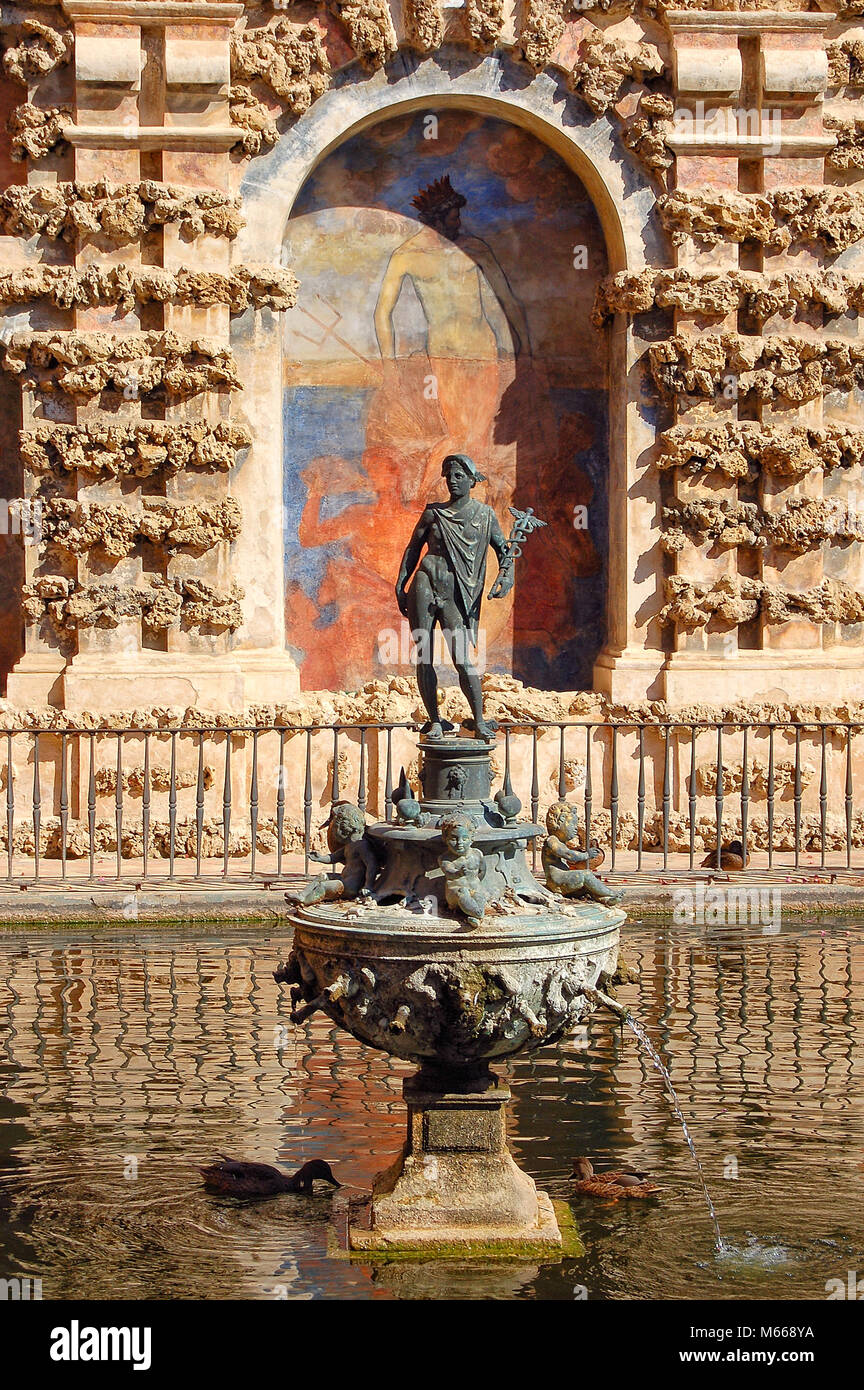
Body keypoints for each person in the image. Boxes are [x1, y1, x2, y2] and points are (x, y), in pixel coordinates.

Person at [395, 453, 511, 740]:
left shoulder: (485, 515)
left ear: (472, 480)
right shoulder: (433, 512)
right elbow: (413, 549)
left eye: (459, 475)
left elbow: (504, 551)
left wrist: (505, 576)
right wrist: (401, 584)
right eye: (448, 475)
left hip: (455, 592)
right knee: (424, 655)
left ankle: (479, 719)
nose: (452, 481)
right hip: (424, 582)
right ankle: (435, 720)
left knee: (462, 659)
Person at [542, 801, 622, 905]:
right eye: (573, 824)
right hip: (557, 881)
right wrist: (586, 855)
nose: (576, 828)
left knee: (587, 888)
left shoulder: (560, 842)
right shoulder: (552, 841)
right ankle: (611, 893)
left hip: (563, 879)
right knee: (586, 874)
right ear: (560, 821)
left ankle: (605, 899)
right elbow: (568, 855)